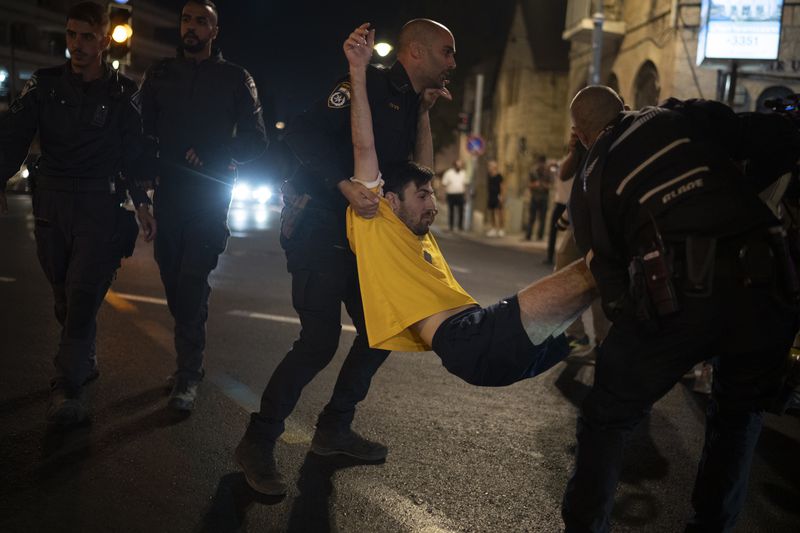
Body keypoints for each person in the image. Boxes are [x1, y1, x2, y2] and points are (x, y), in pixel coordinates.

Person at [561, 85, 800, 532]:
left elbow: (609, 279)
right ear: (625, 109)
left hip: (676, 294)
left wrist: (635, 331)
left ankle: (585, 524)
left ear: (581, 134)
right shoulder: (677, 117)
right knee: (738, 415)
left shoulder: (590, 180)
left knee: (607, 416)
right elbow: (776, 136)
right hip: (765, 280)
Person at [235, 19, 457, 497]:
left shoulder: (411, 101)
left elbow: (419, 174)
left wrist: (424, 113)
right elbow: (300, 133)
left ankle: (333, 429)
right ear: (415, 53)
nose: (452, 63)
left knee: (383, 330)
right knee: (319, 341)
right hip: (317, 223)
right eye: (446, 52)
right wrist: (341, 184)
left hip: (362, 236)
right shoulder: (366, 84)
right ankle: (258, 440)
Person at [340, 25, 596, 386]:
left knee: (588, 298)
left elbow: (424, 171)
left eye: (431, 195)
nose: (433, 204)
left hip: (476, 340)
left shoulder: (413, 224)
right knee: (597, 269)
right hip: (464, 338)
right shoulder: (374, 216)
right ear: (391, 199)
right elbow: (363, 146)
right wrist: (357, 70)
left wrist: (424, 112)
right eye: (423, 196)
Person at [0, 1, 156, 426]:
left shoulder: (124, 93)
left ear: (105, 40)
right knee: (64, 295)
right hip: (50, 204)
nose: (77, 44)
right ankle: (81, 357)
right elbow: (14, 135)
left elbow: (133, 155)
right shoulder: (44, 84)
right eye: (71, 35)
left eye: (87, 36)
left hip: (98, 206)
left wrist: (142, 205)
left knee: (84, 292)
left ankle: (66, 387)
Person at [139, 0, 267, 411]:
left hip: (210, 195)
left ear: (215, 31)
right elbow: (138, 131)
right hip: (170, 195)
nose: (191, 27)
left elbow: (257, 138)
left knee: (192, 282)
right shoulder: (159, 74)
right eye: (187, 20)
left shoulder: (235, 78)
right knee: (175, 284)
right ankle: (187, 361)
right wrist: (141, 187)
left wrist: (216, 151)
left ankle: (188, 375)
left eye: (202, 22)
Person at [524, 155, 551, 242]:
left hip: (544, 198)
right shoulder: (533, 172)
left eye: (542, 163)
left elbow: (551, 185)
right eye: (540, 163)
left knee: (542, 218)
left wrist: (544, 185)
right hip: (534, 197)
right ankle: (528, 235)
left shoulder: (548, 173)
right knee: (532, 217)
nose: (541, 165)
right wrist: (535, 184)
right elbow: (528, 184)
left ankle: (540, 236)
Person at [441, 159, 467, 231]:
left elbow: (465, 185)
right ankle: (451, 226)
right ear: (454, 165)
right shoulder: (448, 173)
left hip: (460, 194)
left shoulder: (463, 173)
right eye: (457, 165)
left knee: (461, 211)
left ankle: (460, 226)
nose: (459, 167)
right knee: (451, 211)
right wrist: (443, 195)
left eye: (460, 165)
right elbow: (444, 185)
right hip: (451, 194)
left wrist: (465, 195)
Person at [486, 160, 504, 237]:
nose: (489, 167)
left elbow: (502, 186)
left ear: (494, 167)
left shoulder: (499, 176)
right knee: (492, 212)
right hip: (491, 195)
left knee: (499, 212)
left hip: (498, 196)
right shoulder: (489, 176)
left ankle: (501, 229)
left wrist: (501, 195)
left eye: (490, 166)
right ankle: (493, 228)